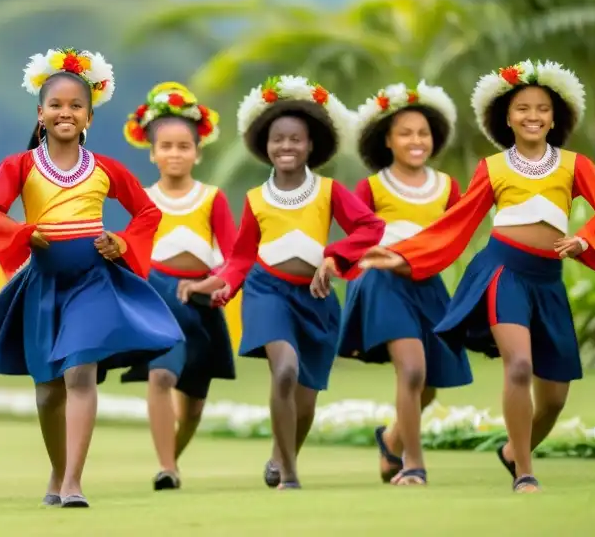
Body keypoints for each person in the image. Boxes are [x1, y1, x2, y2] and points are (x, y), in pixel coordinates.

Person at [360, 60, 595, 494]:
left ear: (555, 118)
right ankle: (524, 472)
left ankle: (511, 451)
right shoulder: (494, 168)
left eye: (542, 108)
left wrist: (584, 241)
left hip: (548, 281)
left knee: (555, 399)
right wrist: (402, 256)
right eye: (523, 108)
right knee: (518, 366)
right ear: (507, 117)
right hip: (503, 272)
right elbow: (457, 224)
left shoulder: (576, 165)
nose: (533, 116)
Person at [0, 48, 183, 508]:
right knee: (48, 393)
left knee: (80, 373)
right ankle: (57, 472)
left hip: (93, 283)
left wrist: (122, 242)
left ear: (88, 115)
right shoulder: (19, 167)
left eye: (75, 106)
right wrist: (24, 233)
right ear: (40, 114)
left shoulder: (106, 168)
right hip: (41, 288)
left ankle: (73, 483)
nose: (66, 112)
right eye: (57, 105)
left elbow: (147, 212)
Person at [207, 75, 385, 489]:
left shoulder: (330, 191)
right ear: (265, 146)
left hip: (316, 301)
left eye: (295, 139)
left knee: (305, 401)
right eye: (277, 139)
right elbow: (241, 257)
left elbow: (370, 227)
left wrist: (333, 257)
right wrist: (223, 286)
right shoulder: (255, 199)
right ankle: (288, 474)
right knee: (284, 368)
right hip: (267, 292)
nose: (286, 146)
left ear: (311, 146)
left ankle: (280, 454)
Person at [336, 82, 473, 486]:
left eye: (423, 133)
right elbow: (356, 237)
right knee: (411, 372)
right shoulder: (373, 187)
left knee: (430, 384)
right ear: (388, 141)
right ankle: (414, 465)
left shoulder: (448, 187)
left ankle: (392, 440)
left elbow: (455, 237)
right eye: (405, 133)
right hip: (383, 286)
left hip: (429, 287)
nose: (416, 141)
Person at [117, 81, 236, 490]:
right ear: (151, 152)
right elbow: (131, 251)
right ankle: (166, 466)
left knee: (195, 403)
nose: (174, 154)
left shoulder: (212, 198)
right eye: (165, 146)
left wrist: (209, 284)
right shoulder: (144, 199)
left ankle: (172, 462)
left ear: (198, 152)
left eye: (183, 146)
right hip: (157, 297)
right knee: (161, 377)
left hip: (200, 303)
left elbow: (235, 256)